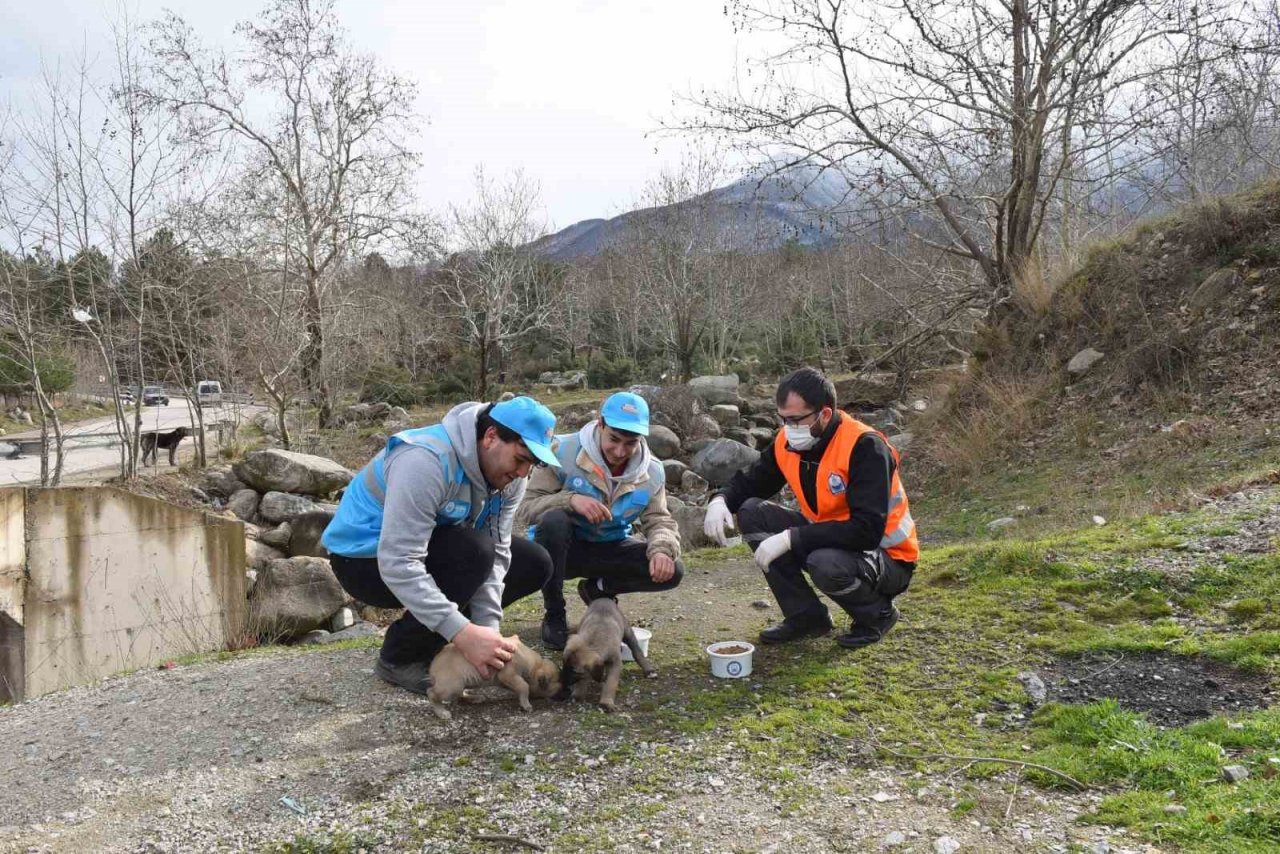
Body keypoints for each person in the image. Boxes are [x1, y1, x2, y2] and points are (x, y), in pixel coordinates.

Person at [320, 396, 559, 695]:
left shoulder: (510, 477)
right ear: (490, 437)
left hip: (433, 548)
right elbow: (399, 561)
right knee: (473, 550)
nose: (523, 474)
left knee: (534, 563)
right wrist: (462, 632)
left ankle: (446, 641)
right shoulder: (425, 460)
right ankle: (400, 656)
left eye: (532, 464)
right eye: (521, 460)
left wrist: (488, 630)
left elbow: (498, 552)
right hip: (362, 560)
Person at [702, 367, 918, 648]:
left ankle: (877, 615)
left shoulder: (865, 447)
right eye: (782, 419)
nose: (786, 428)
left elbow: (867, 531)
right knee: (752, 512)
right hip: (833, 540)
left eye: (794, 419)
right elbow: (753, 482)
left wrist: (792, 538)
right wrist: (721, 500)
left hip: (888, 557)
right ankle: (806, 617)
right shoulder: (789, 441)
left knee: (825, 563)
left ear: (824, 414)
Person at [508, 391, 683, 649]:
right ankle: (555, 614)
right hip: (562, 551)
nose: (620, 450)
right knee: (555, 521)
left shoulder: (653, 472)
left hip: (610, 548)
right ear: (600, 424)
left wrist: (661, 550)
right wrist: (570, 500)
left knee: (673, 570)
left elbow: (659, 521)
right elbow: (525, 508)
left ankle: (599, 589)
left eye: (630, 442)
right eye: (614, 439)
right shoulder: (561, 451)